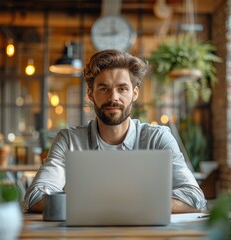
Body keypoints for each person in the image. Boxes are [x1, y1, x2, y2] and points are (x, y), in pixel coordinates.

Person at [24, 49, 207, 213]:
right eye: (104, 88)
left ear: (134, 93)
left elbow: (194, 197)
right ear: (90, 93)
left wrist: (114, 205)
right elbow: (35, 197)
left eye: (122, 88)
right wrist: (131, 204)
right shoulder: (69, 140)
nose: (113, 97)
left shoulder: (158, 138)